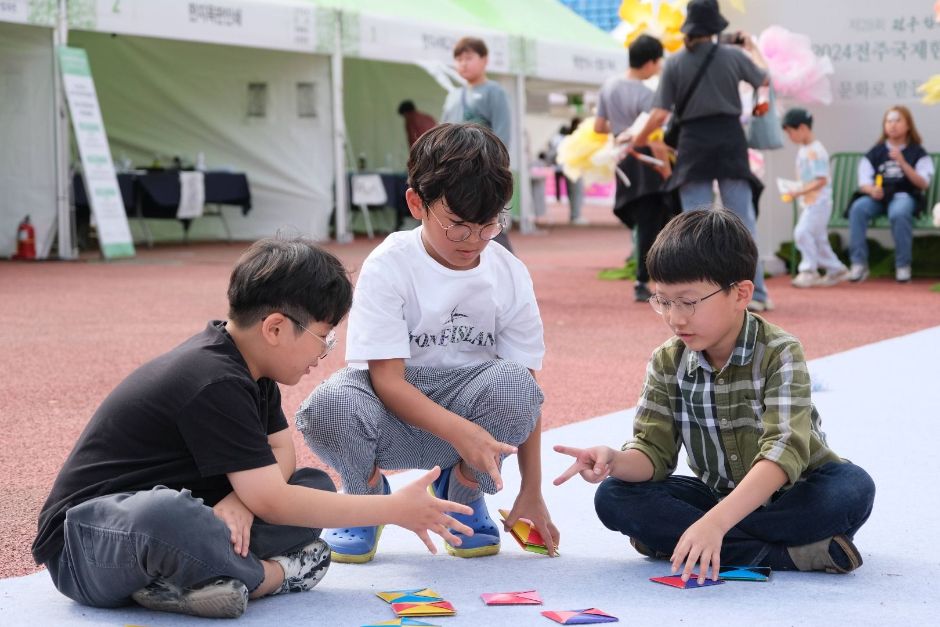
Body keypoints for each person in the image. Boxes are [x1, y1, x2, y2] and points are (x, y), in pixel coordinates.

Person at [31, 238, 474, 620]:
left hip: (186, 525)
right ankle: (272, 576)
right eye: (324, 337)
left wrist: (240, 498)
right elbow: (273, 500)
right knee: (166, 516)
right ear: (276, 328)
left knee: (312, 484)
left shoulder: (252, 370)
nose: (325, 352)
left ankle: (185, 583)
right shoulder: (213, 379)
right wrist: (394, 510)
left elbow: (283, 457)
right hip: (86, 544)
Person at [553, 208, 875, 582]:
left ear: (740, 294)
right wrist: (614, 459)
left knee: (851, 490)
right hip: (716, 497)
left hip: (794, 494)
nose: (676, 318)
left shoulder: (780, 352)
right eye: (662, 301)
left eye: (688, 302)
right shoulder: (667, 361)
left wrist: (715, 524)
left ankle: (685, 541)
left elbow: (783, 452)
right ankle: (789, 554)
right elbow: (653, 454)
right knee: (614, 497)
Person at [296, 123, 559, 565]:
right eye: (457, 226)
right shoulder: (390, 264)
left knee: (516, 385)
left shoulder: (508, 272)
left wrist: (531, 491)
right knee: (327, 406)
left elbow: (526, 394)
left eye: (490, 224)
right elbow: (388, 382)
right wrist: (466, 433)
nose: (474, 241)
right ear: (417, 203)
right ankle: (364, 495)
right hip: (390, 412)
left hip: (466, 418)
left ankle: (463, 490)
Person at [628, 0, 773, 312]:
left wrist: (637, 141)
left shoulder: (676, 63)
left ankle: (697, 296)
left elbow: (659, 113)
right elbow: (764, 77)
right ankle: (757, 293)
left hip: (694, 144)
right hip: (731, 140)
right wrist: (752, 47)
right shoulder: (734, 55)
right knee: (743, 222)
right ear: (716, 28)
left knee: (694, 225)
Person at [594, 33, 669, 302]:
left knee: (639, 222)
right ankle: (643, 280)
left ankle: (643, 276)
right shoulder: (648, 94)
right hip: (645, 161)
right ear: (649, 63)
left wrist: (620, 129)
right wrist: (665, 168)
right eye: (658, 62)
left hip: (622, 159)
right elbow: (653, 137)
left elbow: (599, 126)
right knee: (653, 222)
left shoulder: (609, 86)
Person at [845, 105, 934, 283]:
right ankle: (858, 264)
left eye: (897, 120)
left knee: (899, 213)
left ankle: (902, 265)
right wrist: (872, 190)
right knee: (858, 209)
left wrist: (903, 163)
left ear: (908, 125)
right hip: (879, 197)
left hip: (904, 196)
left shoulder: (917, 152)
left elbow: (923, 183)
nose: (892, 125)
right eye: (889, 121)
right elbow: (864, 182)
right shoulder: (875, 152)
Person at [442, 36, 514, 252]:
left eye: (469, 57)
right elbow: (441, 132)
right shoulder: (453, 95)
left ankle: (507, 271)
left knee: (488, 224)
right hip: (454, 173)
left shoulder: (494, 92)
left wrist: (494, 168)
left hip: (484, 170)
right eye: (459, 59)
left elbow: (502, 133)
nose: (463, 63)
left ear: (484, 60)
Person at [781, 107, 850, 288]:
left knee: (802, 232)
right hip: (812, 201)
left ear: (802, 128)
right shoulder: (805, 149)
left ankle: (808, 270)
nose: (790, 137)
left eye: (790, 132)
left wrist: (798, 192)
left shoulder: (815, 151)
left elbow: (821, 180)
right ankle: (836, 269)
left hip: (819, 202)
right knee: (818, 237)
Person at [546, 119, 587, 225]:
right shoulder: (575, 138)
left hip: (566, 167)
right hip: (572, 167)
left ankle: (575, 214)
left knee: (573, 192)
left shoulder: (567, 138)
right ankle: (575, 215)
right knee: (576, 192)